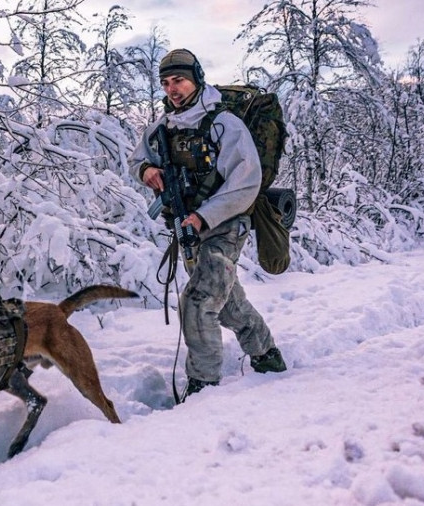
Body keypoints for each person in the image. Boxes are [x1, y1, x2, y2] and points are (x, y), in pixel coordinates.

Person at [129, 49, 287, 401]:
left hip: (226, 225)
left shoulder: (224, 124)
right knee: (226, 300)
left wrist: (204, 216)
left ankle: (203, 389)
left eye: (180, 80)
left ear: (197, 78)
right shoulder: (163, 128)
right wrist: (147, 170)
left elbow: (246, 183)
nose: (173, 89)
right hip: (187, 230)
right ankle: (267, 354)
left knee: (199, 301)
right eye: (166, 83)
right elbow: (137, 159)